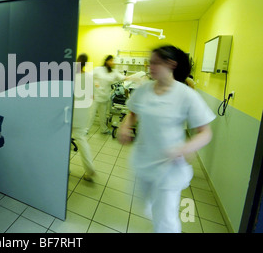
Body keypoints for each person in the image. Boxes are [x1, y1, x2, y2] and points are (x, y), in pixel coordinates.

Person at [118, 45, 215, 233]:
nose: (149, 67)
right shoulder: (144, 90)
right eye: (149, 62)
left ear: (171, 64)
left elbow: (205, 132)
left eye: (155, 63)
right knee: (140, 200)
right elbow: (132, 113)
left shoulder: (186, 94)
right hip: (143, 160)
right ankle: (157, 213)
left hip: (169, 166)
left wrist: (185, 148)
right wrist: (125, 126)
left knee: (165, 220)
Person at [72, 53, 96, 181]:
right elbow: (92, 96)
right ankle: (89, 167)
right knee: (81, 139)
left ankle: (64, 167)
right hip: (83, 113)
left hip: (69, 113)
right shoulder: (88, 77)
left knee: (63, 141)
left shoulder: (71, 76)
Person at [88, 55, 126, 134]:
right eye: (111, 60)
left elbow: (123, 77)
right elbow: (89, 77)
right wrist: (93, 86)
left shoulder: (113, 71)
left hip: (105, 97)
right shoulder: (98, 69)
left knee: (103, 116)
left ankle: (103, 129)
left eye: (113, 61)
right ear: (107, 61)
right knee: (91, 114)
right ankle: (86, 130)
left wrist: (136, 77)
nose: (113, 62)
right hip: (95, 96)